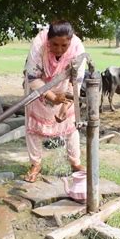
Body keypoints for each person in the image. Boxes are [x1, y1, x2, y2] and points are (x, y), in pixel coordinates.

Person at [23, 20, 86, 183]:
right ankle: (35, 164)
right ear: (48, 41)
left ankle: (75, 162)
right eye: (54, 44)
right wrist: (52, 97)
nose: (59, 49)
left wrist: (65, 106)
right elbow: (33, 77)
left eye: (64, 45)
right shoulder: (39, 44)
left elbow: (76, 82)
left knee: (71, 127)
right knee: (33, 129)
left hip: (66, 88)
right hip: (39, 88)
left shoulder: (78, 49)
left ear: (70, 41)